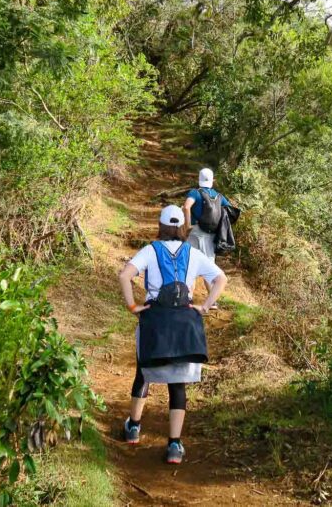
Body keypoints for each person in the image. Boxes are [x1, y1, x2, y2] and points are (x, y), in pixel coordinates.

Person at [117, 204, 228, 464]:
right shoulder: (194, 253)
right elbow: (221, 278)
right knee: (177, 385)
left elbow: (125, 275)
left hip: (155, 320)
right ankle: (175, 445)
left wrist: (133, 306)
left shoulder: (149, 251)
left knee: (143, 373)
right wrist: (204, 306)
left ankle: (133, 427)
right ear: (181, 228)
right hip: (183, 323)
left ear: (161, 225)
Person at [183, 168, 231, 308]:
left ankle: (188, 297)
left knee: (189, 264)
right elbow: (230, 210)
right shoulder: (219, 196)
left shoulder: (195, 193)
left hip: (196, 232)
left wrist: (187, 226)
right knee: (209, 268)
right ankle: (213, 301)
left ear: (199, 178)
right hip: (211, 235)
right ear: (212, 180)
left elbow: (186, 207)